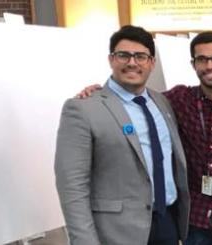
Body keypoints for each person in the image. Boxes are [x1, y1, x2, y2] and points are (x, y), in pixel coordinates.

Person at [74, 31, 212, 245]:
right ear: (193, 64)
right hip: (194, 219)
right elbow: (136, 99)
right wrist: (99, 92)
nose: (209, 66)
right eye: (202, 59)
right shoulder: (177, 99)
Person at [55, 25, 190, 245]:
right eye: (123, 55)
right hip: (117, 234)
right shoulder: (83, 108)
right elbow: (72, 186)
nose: (132, 62)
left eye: (140, 56)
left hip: (167, 223)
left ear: (151, 63)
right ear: (111, 59)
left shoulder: (162, 102)